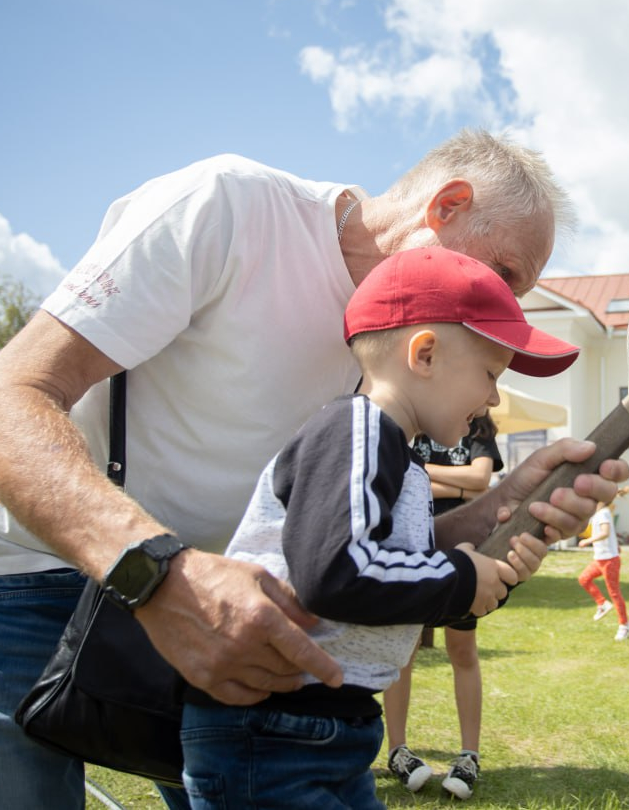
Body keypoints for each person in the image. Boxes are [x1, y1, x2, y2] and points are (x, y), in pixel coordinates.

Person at [0, 130, 629, 810]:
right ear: (447, 207)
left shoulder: (408, 351)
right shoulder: (227, 207)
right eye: (503, 273)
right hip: (14, 566)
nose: (502, 306)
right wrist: (157, 574)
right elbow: (4, 399)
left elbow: (345, 543)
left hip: (188, 593)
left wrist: (500, 511)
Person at [179, 247, 577, 807]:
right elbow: (337, 571)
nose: (492, 397)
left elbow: (395, 572)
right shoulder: (357, 430)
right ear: (426, 354)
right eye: (490, 374)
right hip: (274, 731)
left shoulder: (399, 456)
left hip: (320, 728)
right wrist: (461, 578)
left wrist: (487, 572)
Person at [384, 414, 503, 799]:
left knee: (463, 650)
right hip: (413, 552)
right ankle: (397, 751)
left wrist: (423, 476)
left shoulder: (480, 430)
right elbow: (402, 480)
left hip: (462, 557)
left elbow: (481, 480)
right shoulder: (412, 424)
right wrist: (460, 482)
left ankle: (470, 754)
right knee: (405, 651)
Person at [578, 485, 629, 640]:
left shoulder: (603, 513)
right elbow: (608, 533)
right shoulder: (599, 514)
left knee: (615, 593)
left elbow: (605, 532)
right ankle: (602, 604)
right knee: (584, 579)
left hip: (609, 561)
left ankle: (624, 625)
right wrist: (615, 544)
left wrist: (587, 541)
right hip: (600, 559)